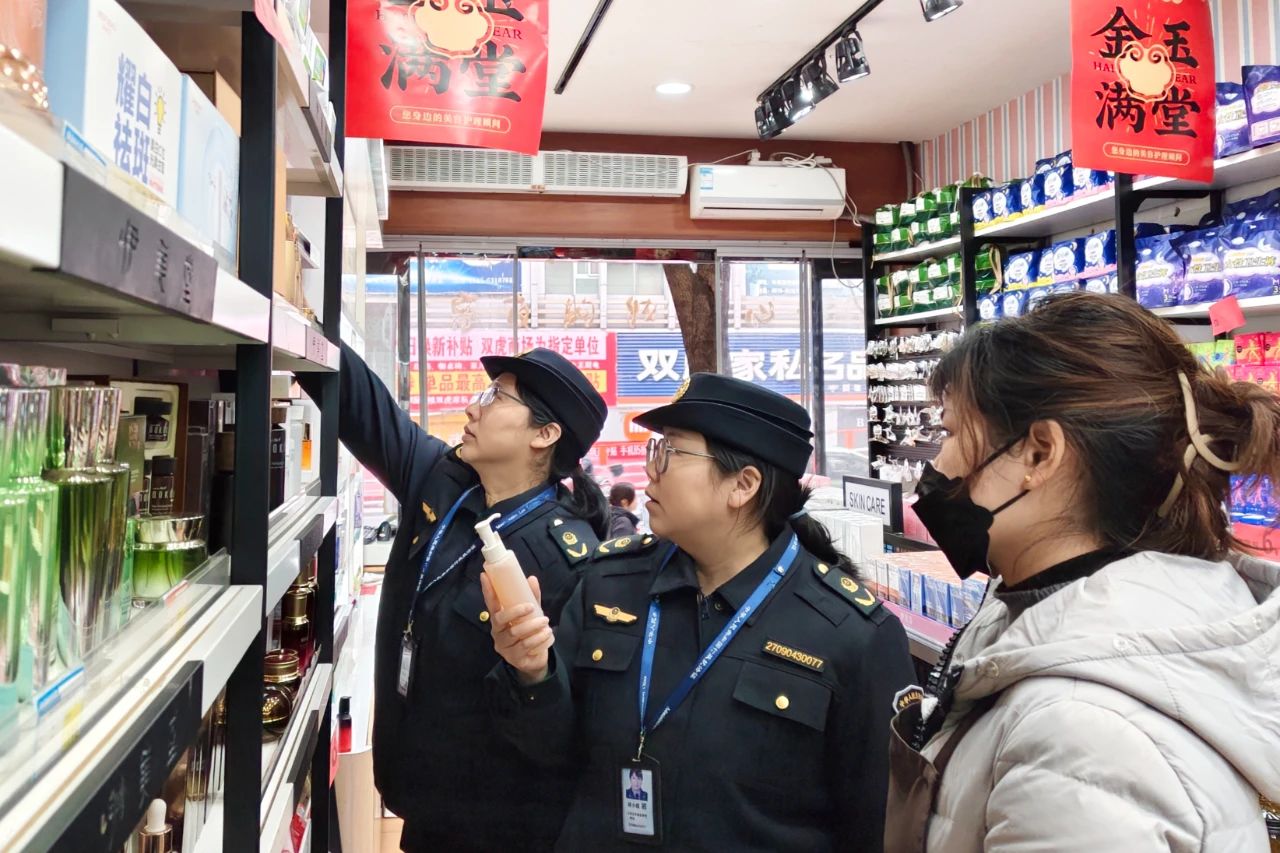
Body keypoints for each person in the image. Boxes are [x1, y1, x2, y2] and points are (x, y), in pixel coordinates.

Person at [882, 293, 1280, 852]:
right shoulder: (1040, 615)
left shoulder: (1081, 741)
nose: (936, 467)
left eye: (948, 434)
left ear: (1039, 454)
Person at [483, 374, 915, 852]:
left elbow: (877, 829)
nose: (651, 469)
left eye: (671, 451)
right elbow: (548, 751)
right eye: (655, 449)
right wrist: (532, 671)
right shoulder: (610, 582)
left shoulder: (851, 634)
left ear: (743, 485)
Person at [297, 344, 610, 852]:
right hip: (422, 813)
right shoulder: (444, 482)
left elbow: (565, 738)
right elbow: (361, 405)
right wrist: (306, 324)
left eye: (496, 398)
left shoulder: (569, 563)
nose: (472, 407)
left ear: (545, 435)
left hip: (497, 834)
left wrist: (534, 672)